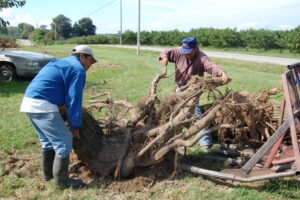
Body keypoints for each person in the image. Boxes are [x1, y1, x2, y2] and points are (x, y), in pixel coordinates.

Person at [20, 45, 97, 188]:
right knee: (64, 141)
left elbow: (56, 89)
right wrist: (75, 126)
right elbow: (74, 100)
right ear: (82, 56)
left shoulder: (59, 62)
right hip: (42, 106)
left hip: (29, 102)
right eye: (90, 61)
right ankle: (62, 182)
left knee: (47, 141)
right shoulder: (78, 70)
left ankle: (49, 175)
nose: (90, 65)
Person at [159, 37, 231, 151]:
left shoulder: (202, 57)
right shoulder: (179, 51)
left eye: (189, 52)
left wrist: (222, 73)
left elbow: (210, 66)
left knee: (195, 114)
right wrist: (165, 57)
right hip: (180, 88)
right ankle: (176, 139)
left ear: (196, 49)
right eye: (185, 52)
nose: (186, 55)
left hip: (193, 91)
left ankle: (205, 142)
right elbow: (165, 51)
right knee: (176, 113)